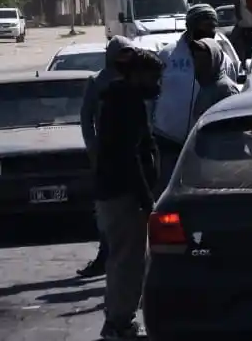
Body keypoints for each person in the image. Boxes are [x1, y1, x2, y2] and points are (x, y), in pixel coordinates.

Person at [94, 47, 163, 340]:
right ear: (136, 75)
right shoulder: (126, 103)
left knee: (121, 259)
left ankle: (118, 319)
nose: (156, 83)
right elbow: (130, 156)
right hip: (124, 195)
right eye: (152, 77)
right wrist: (146, 198)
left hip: (116, 192)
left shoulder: (119, 99)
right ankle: (119, 323)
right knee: (128, 262)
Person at [152, 4, 241, 187]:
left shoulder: (223, 58)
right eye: (202, 29)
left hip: (206, 146)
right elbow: (152, 95)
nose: (208, 34)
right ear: (190, 27)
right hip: (170, 140)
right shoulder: (168, 55)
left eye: (212, 30)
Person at [75, 36, 136, 278]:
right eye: (121, 53)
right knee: (106, 208)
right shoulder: (97, 82)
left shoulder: (134, 80)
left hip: (131, 152)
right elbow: (86, 119)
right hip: (106, 154)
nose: (125, 59)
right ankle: (105, 254)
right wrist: (93, 149)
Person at [190, 37, 241, 122]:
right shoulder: (204, 85)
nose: (198, 64)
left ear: (215, 59)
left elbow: (235, 123)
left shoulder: (226, 88)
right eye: (196, 58)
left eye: (203, 59)